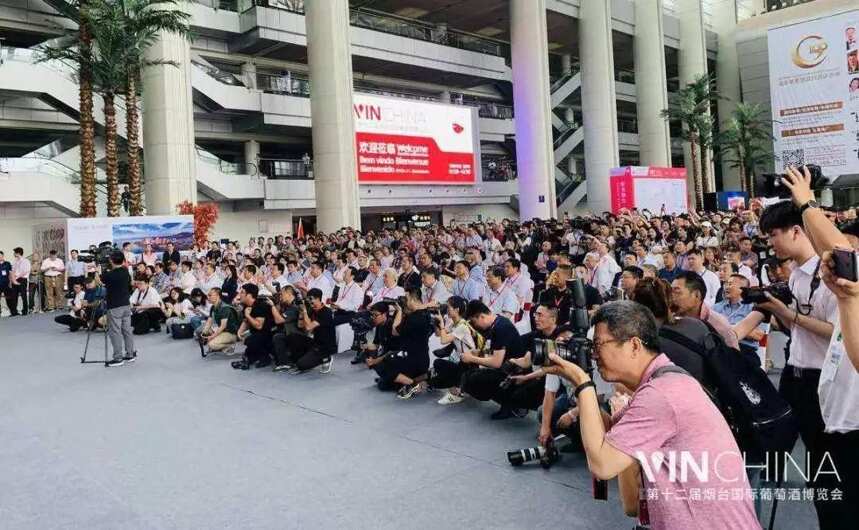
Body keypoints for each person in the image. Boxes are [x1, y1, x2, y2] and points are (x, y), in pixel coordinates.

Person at [543, 301, 760, 530]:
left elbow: (603, 464)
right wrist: (577, 380)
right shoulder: (666, 380)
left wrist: (583, 384)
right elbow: (612, 435)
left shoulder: (661, 395)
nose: (594, 355)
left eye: (598, 345)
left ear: (634, 345)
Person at [461, 300, 525, 420]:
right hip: (508, 367)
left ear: (481, 316)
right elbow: (498, 350)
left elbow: (496, 362)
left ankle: (510, 404)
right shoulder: (498, 322)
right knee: (470, 375)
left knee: (474, 379)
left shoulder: (501, 328)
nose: (475, 326)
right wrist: (481, 353)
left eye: (474, 322)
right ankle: (507, 403)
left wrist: (472, 358)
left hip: (514, 372)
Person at [372, 288, 433, 399]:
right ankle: (420, 378)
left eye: (407, 298)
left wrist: (399, 311)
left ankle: (412, 384)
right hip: (423, 360)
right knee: (384, 383)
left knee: (380, 365)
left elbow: (394, 331)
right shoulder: (426, 314)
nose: (406, 301)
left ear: (413, 299)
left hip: (412, 361)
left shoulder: (412, 318)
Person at [671, 271, 740, 349]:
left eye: (677, 292)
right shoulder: (671, 320)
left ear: (697, 295)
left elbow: (733, 358)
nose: (671, 297)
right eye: (670, 291)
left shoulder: (719, 326)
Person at [430, 296, 479, 405]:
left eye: (449, 307)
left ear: (457, 310)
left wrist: (442, 325)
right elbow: (439, 334)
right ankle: (457, 385)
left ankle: (458, 392)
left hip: (470, 363)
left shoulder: (462, 326)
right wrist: (437, 322)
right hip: (461, 361)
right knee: (438, 364)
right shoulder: (454, 323)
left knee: (441, 379)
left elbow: (444, 340)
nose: (447, 309)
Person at [278, 288, 336, 374]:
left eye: (311, 299)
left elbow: (309, 327)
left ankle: (326, 359)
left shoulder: (326, 312)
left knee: (302, 365)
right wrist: (301, 312)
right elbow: (300, 325)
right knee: (293, 336)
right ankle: (300, 361)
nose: (309, 301)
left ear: (318, 299)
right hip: (315, 342)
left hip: (325, 347)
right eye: (308, 299)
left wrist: (305, 312)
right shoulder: (312, 310)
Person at [100, 251, 135, 367]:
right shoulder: (125, 271)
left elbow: (99, 281)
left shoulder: (110, 275)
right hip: (126, 304)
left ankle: (118, 358)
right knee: (127, 330)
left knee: (115, 332)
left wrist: (96, 270)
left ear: (111, 260)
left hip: (114, 306)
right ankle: (130, 354)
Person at [231, 283, 275, 370]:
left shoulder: (261, 305)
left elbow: (259, 326)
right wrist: (240, 331)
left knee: (250, 341)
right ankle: (253, 357)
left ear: (249, 295)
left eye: (242, 292)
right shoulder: (247, 305)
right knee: (248, 352)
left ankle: (266, 358)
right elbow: (245, 321)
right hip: (256, 333)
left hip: (269, 334)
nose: (240, 295)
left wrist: (248, 315)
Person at [198, 288, 240, 355]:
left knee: (211, 344)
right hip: (223, 330)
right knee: (203, 330)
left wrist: (212, 337)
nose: (208, 297)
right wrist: (204, 334)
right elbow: (209, 322)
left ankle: (229, 346)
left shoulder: (225, 308)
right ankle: (219, 344)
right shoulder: (213, 307)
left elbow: (223, 326)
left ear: (217, 296)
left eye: (210, 295)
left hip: (231, 333)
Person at [9, 247, 31, 316]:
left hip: (22, 279)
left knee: (23, 295)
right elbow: (12, 270)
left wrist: (17, 276)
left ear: (18, 253)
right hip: (15, 279)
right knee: (14, 296)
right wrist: (12, 279)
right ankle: (14, 312)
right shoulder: (14, 261)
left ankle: (25, 311)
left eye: (15, 252)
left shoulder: (25, 261)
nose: (14, 254)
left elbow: (26, 271)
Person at [0, 251, 11, 316]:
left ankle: (12, 311)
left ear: (3, 256)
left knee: (9, 298)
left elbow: (10, 273)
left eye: (0, 255)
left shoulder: (7, 263)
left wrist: (10, 282)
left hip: (6, 284)